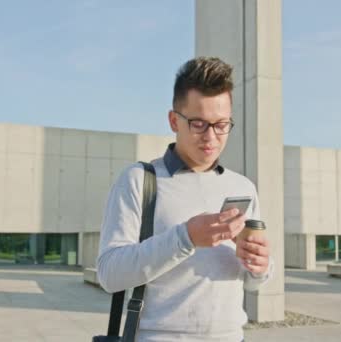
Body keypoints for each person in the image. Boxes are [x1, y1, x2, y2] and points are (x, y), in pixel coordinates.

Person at [97, 57, 273, 341]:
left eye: (222, 124)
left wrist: (261, 266)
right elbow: (109, 273)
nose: (211, 137)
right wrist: (186, 237)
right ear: (173, 121)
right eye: (199, 123)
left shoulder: (243, 187)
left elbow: (251, 283)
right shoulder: (140, 180)